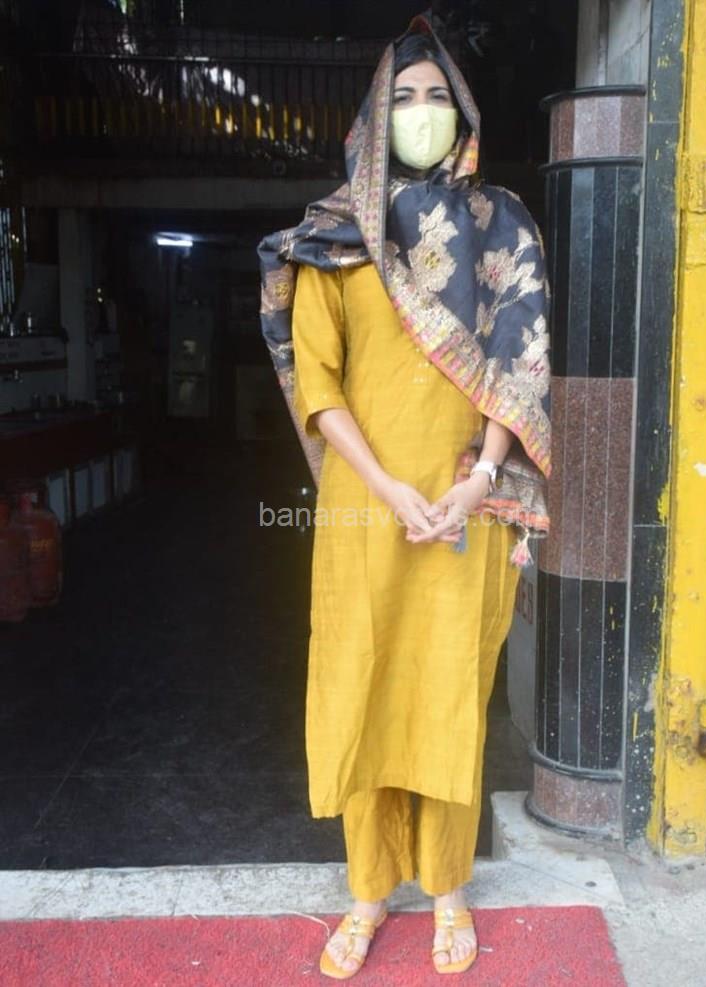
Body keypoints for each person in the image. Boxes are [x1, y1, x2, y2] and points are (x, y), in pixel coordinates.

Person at [257, 15, 551, 979]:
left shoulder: (501, 224)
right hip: (364, 505)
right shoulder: (334, 235)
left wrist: (477, 482)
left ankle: (449, 889)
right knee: (365, 682)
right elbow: (318, 381)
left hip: (467, 504)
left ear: (462, 114)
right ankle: (368, 892)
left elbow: (518, 365)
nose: (422, 114)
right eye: (406, 98)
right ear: (376, 117)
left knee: (448, 690)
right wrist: (385, 487)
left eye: (438, 98)